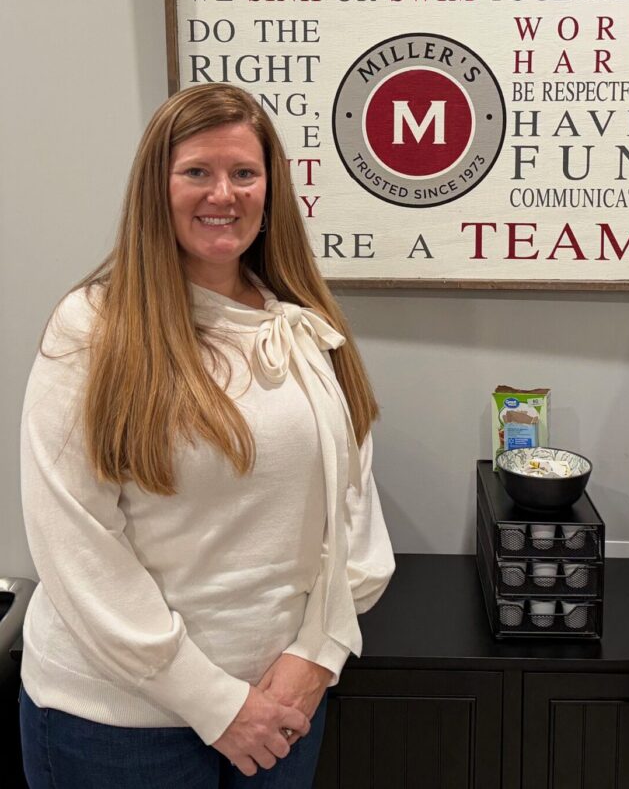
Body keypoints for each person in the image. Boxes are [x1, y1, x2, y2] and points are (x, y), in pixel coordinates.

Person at [19, 83, 395, 788]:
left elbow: (352, 512)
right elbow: (76, 543)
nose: (223, 193)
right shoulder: (92, 329)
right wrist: (214, 703)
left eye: (244, 173)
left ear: (270, 189)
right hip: (120, 727)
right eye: (196, 171)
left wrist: (320, 651)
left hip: (282, 705)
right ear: (155, 187)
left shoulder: (302, 326)